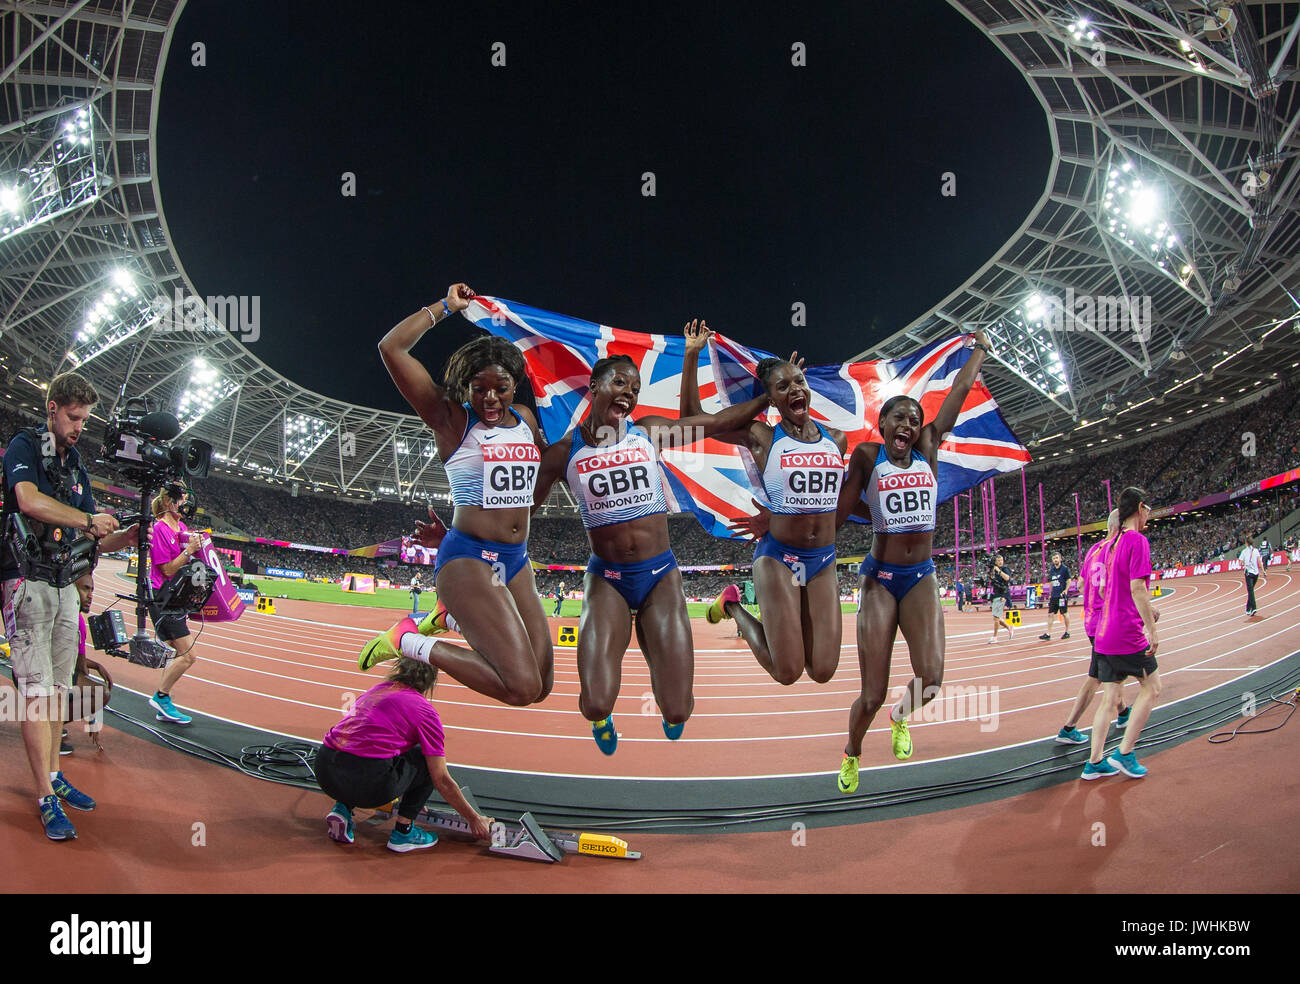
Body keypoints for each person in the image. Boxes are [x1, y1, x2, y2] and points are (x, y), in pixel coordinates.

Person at [731, 333, 993, 792]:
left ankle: (900, 717)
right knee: (869, 692)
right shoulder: (868, 458)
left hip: (922, 577)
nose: (908, 425)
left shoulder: (929, 448)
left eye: (914, 419)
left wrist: (979, 352)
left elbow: (955, 396)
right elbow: (829, 506)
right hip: (880, 579)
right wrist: (776, 516)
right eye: (898, 418)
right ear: (883, 424)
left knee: (930, 680)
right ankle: (852, 753)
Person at [531, 328, 771, 753]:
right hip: (607, 579)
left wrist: (767, 396)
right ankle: (604, 718)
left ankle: (705, 620)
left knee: (677, 711)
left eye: (635, 387)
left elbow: (714, 422)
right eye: (619, 382)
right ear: (594, 386)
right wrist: (461, 531)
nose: (629, 392)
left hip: (660, 574)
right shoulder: (562, 454)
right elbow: (516, 511)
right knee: (595, 703)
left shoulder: (649, 434)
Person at [357, 284, 553, 709]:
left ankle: (449, 619)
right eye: (478, 388)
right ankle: (406, 639)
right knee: (519, 689)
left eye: (500, 387)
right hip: (470, 559)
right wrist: (446, 306)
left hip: (515, 560)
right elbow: (391, 348)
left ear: (514, 384)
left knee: (541, 685)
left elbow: (523, 490)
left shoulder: (525, 418)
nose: (489, 398)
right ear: (466, 386)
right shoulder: (449, 419)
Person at [1, 372, 138, 840]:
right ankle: (43, 796)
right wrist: (86, 518)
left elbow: (89, 534)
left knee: (57, 692)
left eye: (85, 418)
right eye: (74, 417)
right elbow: (28, 500)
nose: (80, 426)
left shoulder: (76, 466)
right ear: (53, 408)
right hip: (26, 582)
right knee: (37, 696)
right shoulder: (24, 446)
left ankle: (55, 776)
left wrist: (125, 536)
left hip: (62, 586)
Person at [678, 320, 847, 685]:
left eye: (799, 382)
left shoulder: (838, 440)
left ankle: (740, 607)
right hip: (780, 558)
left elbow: (829, 500)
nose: (795, 389)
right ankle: (732, 605)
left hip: (822, 559)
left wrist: (779, 513)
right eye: (783, 386)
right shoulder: (761, 436)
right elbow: (692, 420)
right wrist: (692, 355)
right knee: (787, 672)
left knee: (822, 670)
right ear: (770, 398)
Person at [316, 657, 493, 852]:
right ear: (431, 683)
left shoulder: (377, 690)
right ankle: (403, 832)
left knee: (362, 744)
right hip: (367, 784)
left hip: (325, 771)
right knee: (426, 759)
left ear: (399, 669)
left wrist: (410, 791)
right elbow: (441, 779)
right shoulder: (425, 711)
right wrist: (474, 819)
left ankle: (342, 809)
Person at [1082, 487, 1160, 779]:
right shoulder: (1137, 540)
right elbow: (1137, 587)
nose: (1149, 514)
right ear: (1140, 508)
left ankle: (1094, 762)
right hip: (1126, 632)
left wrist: (1147, 610)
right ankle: (1124, 753)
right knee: (1152, 688)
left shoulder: (1110, 545)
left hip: (1103, 632)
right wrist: (1151, 630)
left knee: (1110, 696)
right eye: (1148, 508)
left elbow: (1107, 589)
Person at [1055, 511, 1135, 744]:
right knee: (1099, 676)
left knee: (1109, 673)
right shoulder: (1117, 549)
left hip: (1091, 620)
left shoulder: (1094, 549)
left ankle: (1123, 713)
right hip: (1107, 622)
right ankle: (1069, 727)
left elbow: (1080, 584)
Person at [147, 483, 204, 724]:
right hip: (163, 597)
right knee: (188, 655)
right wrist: (189, 550)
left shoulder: (181, 527)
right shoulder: (159, 528)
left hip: (177, 596)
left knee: (174, 652)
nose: (186, 504)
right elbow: (168, 569)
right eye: (182, 499)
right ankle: (161, 697)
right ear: (171, 503)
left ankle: (164, 702)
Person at [1038, 551, 1072, 640]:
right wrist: (1050, 593)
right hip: (1054, 595)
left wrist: (1065, 590)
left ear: (1060, 558)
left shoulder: (1064, 569)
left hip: (1061, 595)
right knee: (1050, 614)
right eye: (1054, 558)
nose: (1055, 560)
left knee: (1064, 613)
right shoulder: (1052, 569)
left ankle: (1067, 632)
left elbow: (1069, 580)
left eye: (1057, 558)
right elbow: (1051, 582)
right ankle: (1048, 634)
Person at [987, 554, 1014, 642]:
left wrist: (998, 571)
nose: (1000, 562)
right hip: (996, 593)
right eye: (998, 560)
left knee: (996, 618)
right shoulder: (993, 569)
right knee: (996, 617)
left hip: (1002, 594)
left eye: (1001, 560)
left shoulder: (1005, 569)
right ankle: (1009, 627)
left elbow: (1007, 578)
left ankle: (995, 637)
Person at [1238, 535, 1262, 616]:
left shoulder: (1244, 551)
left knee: (1250, 591)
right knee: (1251, 591)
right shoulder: (1256, 550)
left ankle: (1254, 607)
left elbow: (1240, 563)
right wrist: (1263, 571)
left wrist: (1244, 563)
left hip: (1248, 573)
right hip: (1256, 573)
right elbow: (1259, 561)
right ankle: (1248, 609)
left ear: (1246, 543)